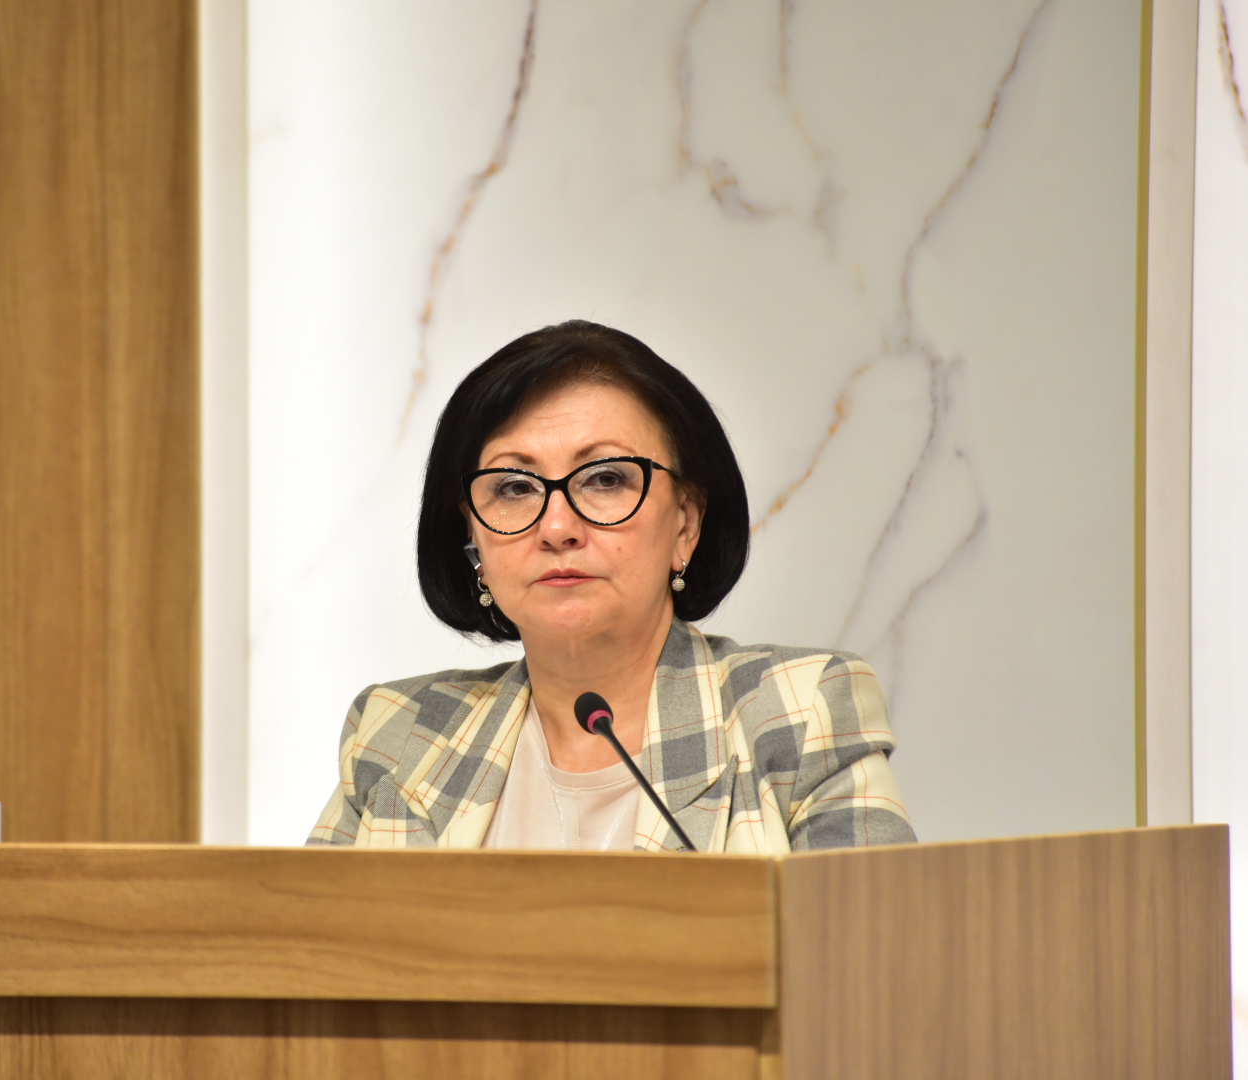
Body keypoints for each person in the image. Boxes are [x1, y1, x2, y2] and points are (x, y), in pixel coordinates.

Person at [307, 321, 915, 852]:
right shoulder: (398, 735)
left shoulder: (798, 714)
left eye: (604, 479)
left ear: (686, 523)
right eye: (514, 487)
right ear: (473, 539)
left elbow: (869, 944)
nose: (557, 528)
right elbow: (307, 946)